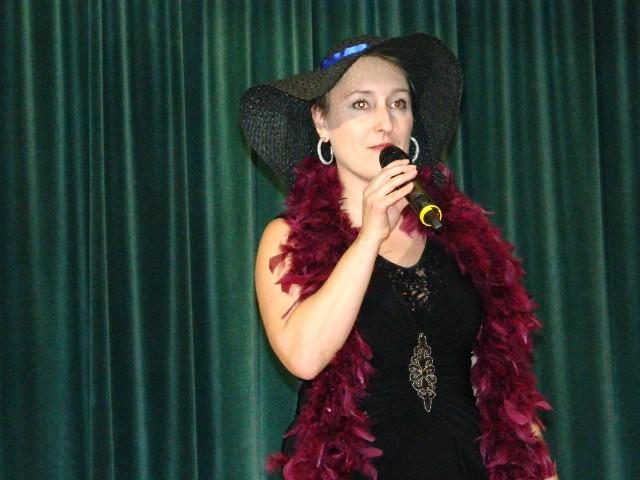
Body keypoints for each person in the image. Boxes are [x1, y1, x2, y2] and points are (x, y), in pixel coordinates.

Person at [241, 33, 558, 480]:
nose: (384, 122)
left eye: (399, 104)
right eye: (361, 104)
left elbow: (501, 383)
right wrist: (370, 236)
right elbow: (304, 356)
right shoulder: (288, 237)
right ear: (321, 122)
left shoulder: (460, 236)